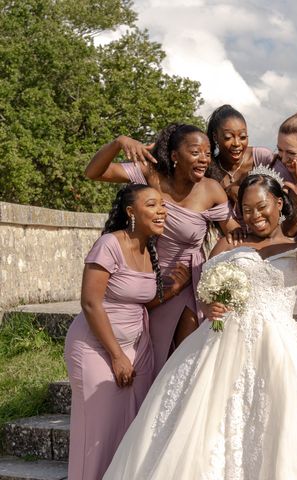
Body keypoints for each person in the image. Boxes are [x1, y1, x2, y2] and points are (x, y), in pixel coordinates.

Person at [103, 164, 297, 480]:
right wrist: (209, 304)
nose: (254, 215)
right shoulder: (230, 241)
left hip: (281, 346)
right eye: (246, 209)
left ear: (280, 204)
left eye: (261, 207)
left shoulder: (295, 245)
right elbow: (205, 285)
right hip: (220, 342)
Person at [84, 123, 240, 376]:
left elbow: (234, 233)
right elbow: (94, 172)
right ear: (175, 156)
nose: (203, 159)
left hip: (188, 281)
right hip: (147, 280)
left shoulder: (211, 189)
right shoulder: (150, 175)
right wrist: (119, 142)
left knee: (186, 362)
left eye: (207, 153)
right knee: (154, 362)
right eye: (195, 152)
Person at [64, 184, 190, 480]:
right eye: (152, 205)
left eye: (163, 205)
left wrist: (175, 288)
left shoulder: (151, 247)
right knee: (98, 433)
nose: (162, 211)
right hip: (97, 347)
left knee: (132, 429)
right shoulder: (109, 244)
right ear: (131, 212)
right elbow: (91, 302)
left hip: (137, 347)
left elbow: (140, 298)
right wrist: (117, 356)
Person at [206, 104, 274, 206]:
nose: (237, 144)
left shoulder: (261, 158)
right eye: (228, 137)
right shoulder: (208, 167)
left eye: (242, 137)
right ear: (215, 137)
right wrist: (227, 191)